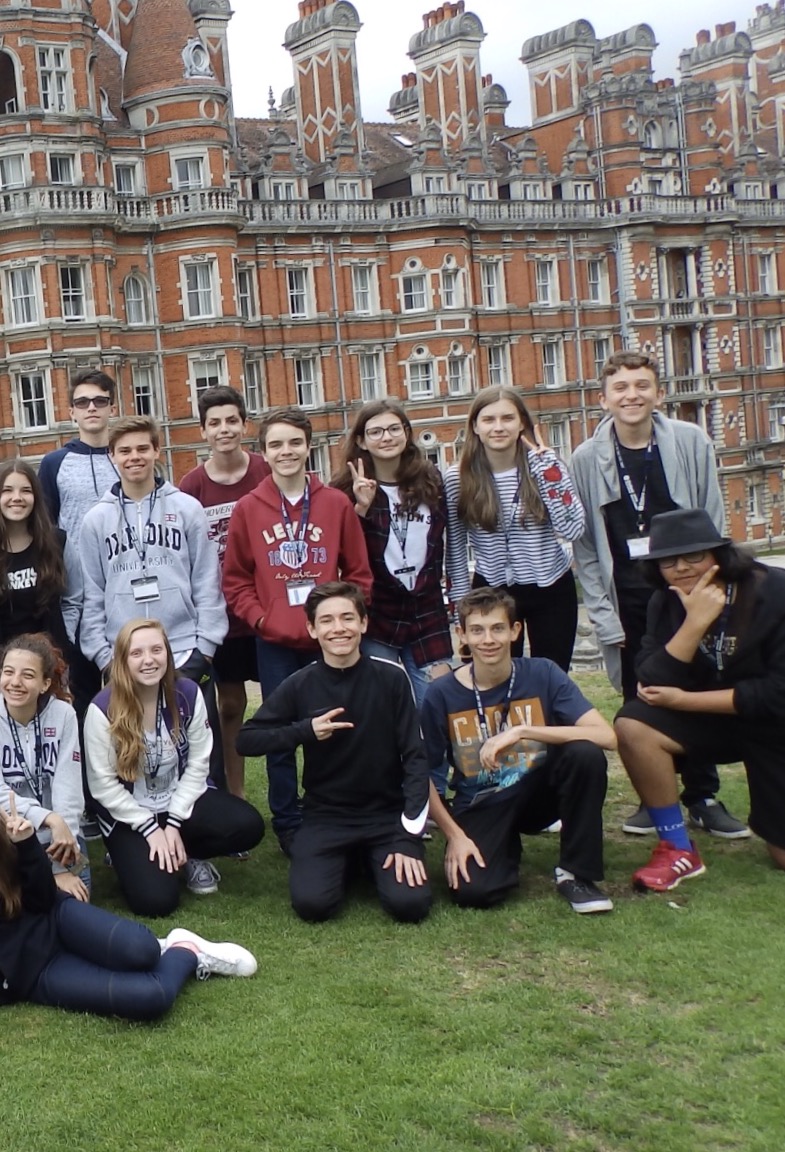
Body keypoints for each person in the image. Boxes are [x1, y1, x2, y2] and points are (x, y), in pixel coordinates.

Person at [571, 351, 748, 839]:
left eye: (641, 386)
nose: (632, 396)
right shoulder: (586, 458)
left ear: (659, 394)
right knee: (641, 694)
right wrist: (601, 611)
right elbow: (586, 546)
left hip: (686, 589)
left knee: (698, 685)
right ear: (603, 399)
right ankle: (655, 797)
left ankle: (703, 796)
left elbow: (712, 516)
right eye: (620, 388)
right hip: (628, 596)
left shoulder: (690, 441)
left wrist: (712, 587)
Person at [224, 407, 373, 856]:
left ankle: (336, 811)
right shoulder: (249, 508)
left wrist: (344, 622)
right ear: (263, 452)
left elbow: (359, 573)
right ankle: (288, 821)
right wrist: (261, 619)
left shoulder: (335, 504)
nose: (285, 452)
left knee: (339, 727)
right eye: (276, 444)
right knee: (282, 735)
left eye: (294, 443)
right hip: (276, 644)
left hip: (330, 644)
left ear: (309, 447)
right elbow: (236, 579)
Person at [236, 582, 432, 924]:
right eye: (326, 620)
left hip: (385, 815)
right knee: (312, 905)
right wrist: (304, 731)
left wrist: (407, 836)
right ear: (312, 629)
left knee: (409, 905)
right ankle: (353, 859)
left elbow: (415, 758)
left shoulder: (392, 678)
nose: (338, 628)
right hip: (326, 816)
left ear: (363, 623)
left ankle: (370, 857)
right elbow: (246, 740)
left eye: (347, 618)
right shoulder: (301, 683)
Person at [615, 508, 785, 892]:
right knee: (633, 724)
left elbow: (778, 693)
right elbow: (651, 679)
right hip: (714, 724)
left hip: (774, 725)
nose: (681, 568)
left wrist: (683, 701)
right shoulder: (665, 601)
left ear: (718, 554)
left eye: (694, 555)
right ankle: (677, 848)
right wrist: (694, 624)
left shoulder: (774, 592)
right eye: (668, 560)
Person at [421, 587, 615, 914]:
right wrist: (453, 834)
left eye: (498, 628)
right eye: (477, 630)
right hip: (483, 800)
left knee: (585, 754)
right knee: (474, 893)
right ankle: (503, 848)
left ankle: (577, 873)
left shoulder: (543, 673)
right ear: (461, 636)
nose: (488, 639)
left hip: (539, 791)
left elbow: (606, 736)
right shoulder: (441, 693)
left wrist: (522, 731)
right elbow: (420, 772)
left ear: (515, 630)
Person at [0, 792, 257, 1020]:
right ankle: (186, 950)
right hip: (34, 971)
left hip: (54, 917)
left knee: (142, 949)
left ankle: (156, 946)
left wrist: (26, 843)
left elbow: (43, 898)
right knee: (152, 995)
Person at [79, 415, 228, 786]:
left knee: (199, 748)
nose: (134, 457)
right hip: (125, 657)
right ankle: (140, 814)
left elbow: (207, 581)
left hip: (184, 650)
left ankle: (210, 810)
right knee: (133, 750)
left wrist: (205, 648)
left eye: (142, 448)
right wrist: (104, 656)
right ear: (112, 456)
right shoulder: (96, 520)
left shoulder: (187, 508)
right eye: (125, 450)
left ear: (157, 451)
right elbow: (91, 594)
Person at [83, 619, 264, 916]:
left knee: (248, 825)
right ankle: (128, 853)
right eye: (137, 653)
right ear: (122, 660)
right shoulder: (102, 709)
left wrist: (174, 822)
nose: (149, 660)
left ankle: (187, 851)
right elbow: (103, 786)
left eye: (157, 650)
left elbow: (198, 764)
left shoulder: (187, 693)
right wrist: (150, 828)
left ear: (168, 653)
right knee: (156, 901)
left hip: (179, 801)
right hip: (129, 814)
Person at [444, 386, 584, 672]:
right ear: (475, 427)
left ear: (522, 423)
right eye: (489, 420)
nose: (498, 427)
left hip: (550, 585)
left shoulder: (544, 466)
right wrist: (461, 608)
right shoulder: (458, 477)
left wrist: (551, 474)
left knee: (551, 674)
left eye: (507, 418)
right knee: (496, 677)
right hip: (492, 589)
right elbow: (455, 549)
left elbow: (572, 529)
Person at [180, 386, 270, 799]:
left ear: (245, 425)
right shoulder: (192, 485)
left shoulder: (265, 471)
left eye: (232, 420)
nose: (224, 429)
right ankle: (237, 797)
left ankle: (295, 796)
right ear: (203, 431)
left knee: (283, 703)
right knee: (230, 705)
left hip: (269, 608)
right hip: (224, 614)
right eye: (214, 423)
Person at [332, 399, 452, 707]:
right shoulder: (344, 490)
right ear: (362, 440)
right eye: (376, 432)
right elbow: (341, 552)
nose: (386, 437)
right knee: (384, 707)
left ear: (407, 433)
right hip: (378, 613)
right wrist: (360, 508)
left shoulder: (431, 481)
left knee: (435, 704)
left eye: (394, 429)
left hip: (427, 610)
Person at [0, 634, 89, 901]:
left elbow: (69, 790)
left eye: (27, 675)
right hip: (9, 835)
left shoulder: (63, 715)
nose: (15, 682)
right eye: (8, 672)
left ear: (45, 683)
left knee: (75, 901)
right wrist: (49, 818)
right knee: (21, 905)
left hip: (59, 837)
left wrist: (61, 864)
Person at [0, 461, 80, 652]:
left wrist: (65, 636)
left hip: (49, 660)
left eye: (26, 490)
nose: (17, 498)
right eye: (7, 490)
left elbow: (74, 598)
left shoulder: (58, 542)